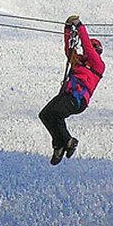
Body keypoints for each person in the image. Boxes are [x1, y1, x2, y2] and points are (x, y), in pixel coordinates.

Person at [39, 14, 104, 165]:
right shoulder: (79, 62)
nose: (88, 52)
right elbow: (69, 50)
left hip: (77, 99)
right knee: (45, 115)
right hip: (67, 95)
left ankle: (68, 141)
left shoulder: (98, 65)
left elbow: (87, 46)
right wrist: (67, 29)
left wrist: (79, 25)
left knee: (55, 114)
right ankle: (59, 145)